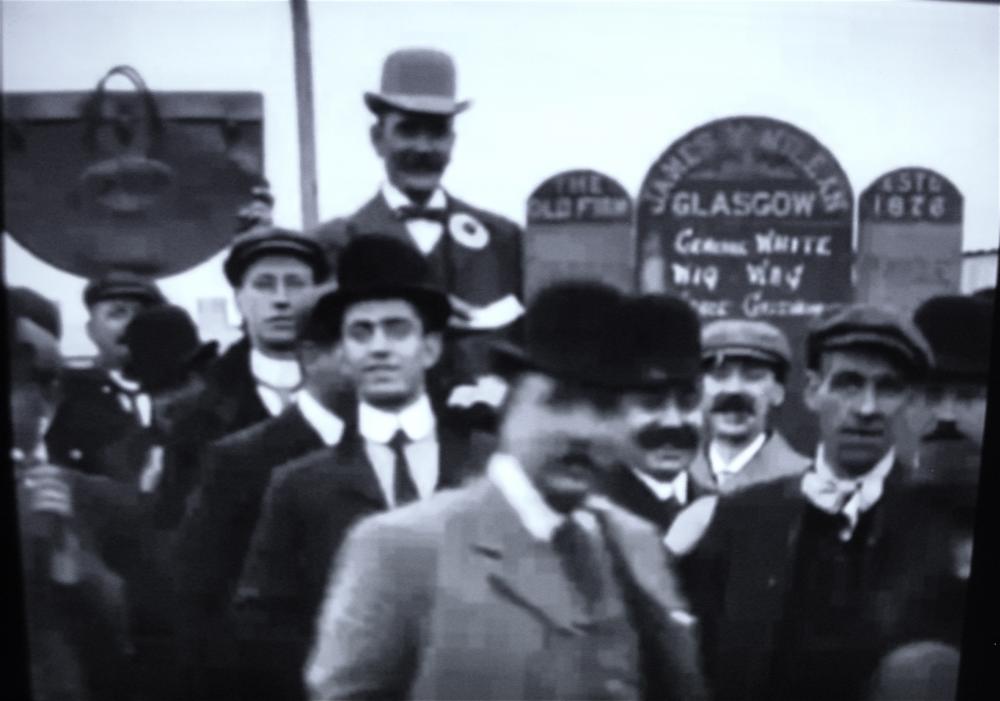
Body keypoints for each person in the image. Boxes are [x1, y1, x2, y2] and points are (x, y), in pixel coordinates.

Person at [305, 281, 706, 701]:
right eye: (560, 402)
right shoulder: (401, 547)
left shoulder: (634, 546)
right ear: (510, 407)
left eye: (604, 408)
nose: (583, 430)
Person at [235, 234, 491, 700]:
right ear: (345, 356)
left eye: (397, 329)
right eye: (361, 332)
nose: (379, 347)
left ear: (430, 349)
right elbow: (264, 624)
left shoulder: (489, 467)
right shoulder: (299, 485)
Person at [685, 304, 961, 701]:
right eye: (848, 384)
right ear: (814, 392)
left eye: (887, 388)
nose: (866, 409)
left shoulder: (940, 523)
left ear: (910, 402)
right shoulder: (741, 517)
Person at [311, 47, 524, 419]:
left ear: (453, 142)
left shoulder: (503, 239)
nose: (423, 148)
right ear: (377, 139)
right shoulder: (337, 242)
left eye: (437, 132)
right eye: (408, 130)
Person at [171, 290, 348, 701]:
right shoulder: (242, 460)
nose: (380, 354)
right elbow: (203, 597)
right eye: (356, 338)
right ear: (311, 355)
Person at [9, 287, 137, 700]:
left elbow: (129, 638)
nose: (45, 401)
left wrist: (71, 561)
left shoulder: (86, 497)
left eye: (47, 382)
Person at [155, 225, 329, 528]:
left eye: (295, 284)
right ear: (239, 299)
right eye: (264, 285)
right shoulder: (197, 413)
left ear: (317, 295)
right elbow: (176, 527)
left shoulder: (353, 398)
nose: (281, 299)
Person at [601, 294, 713, 534]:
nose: (673, 421)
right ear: (612, 409)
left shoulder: (721, 513)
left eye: (687, 401)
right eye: (651, 403)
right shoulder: (591, 518)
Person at [44, 271, 165, 480]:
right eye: (117, 313)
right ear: (91, 330)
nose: (133, 324)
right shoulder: (68, 393)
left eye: (143, 314)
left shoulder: (186, 390)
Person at [688, 319, 810, 494]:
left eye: (753, 376)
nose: (734, 389)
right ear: (698, 389)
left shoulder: (805, 484)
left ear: (777, 392)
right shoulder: (675, 478)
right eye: (719, 375)